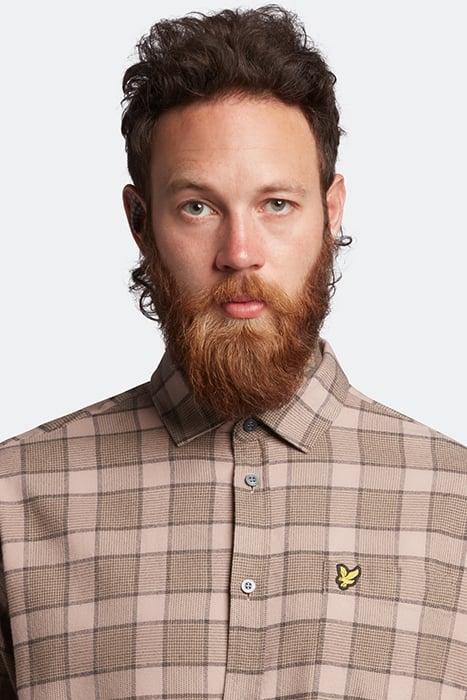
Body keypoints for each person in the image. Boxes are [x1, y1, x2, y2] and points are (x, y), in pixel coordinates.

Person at [1, 5, 465, 699]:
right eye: (198, 206)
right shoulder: (13, 500)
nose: (239, 253)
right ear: (140, 222)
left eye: (276, 204)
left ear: (331, 211)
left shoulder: (455, 505)